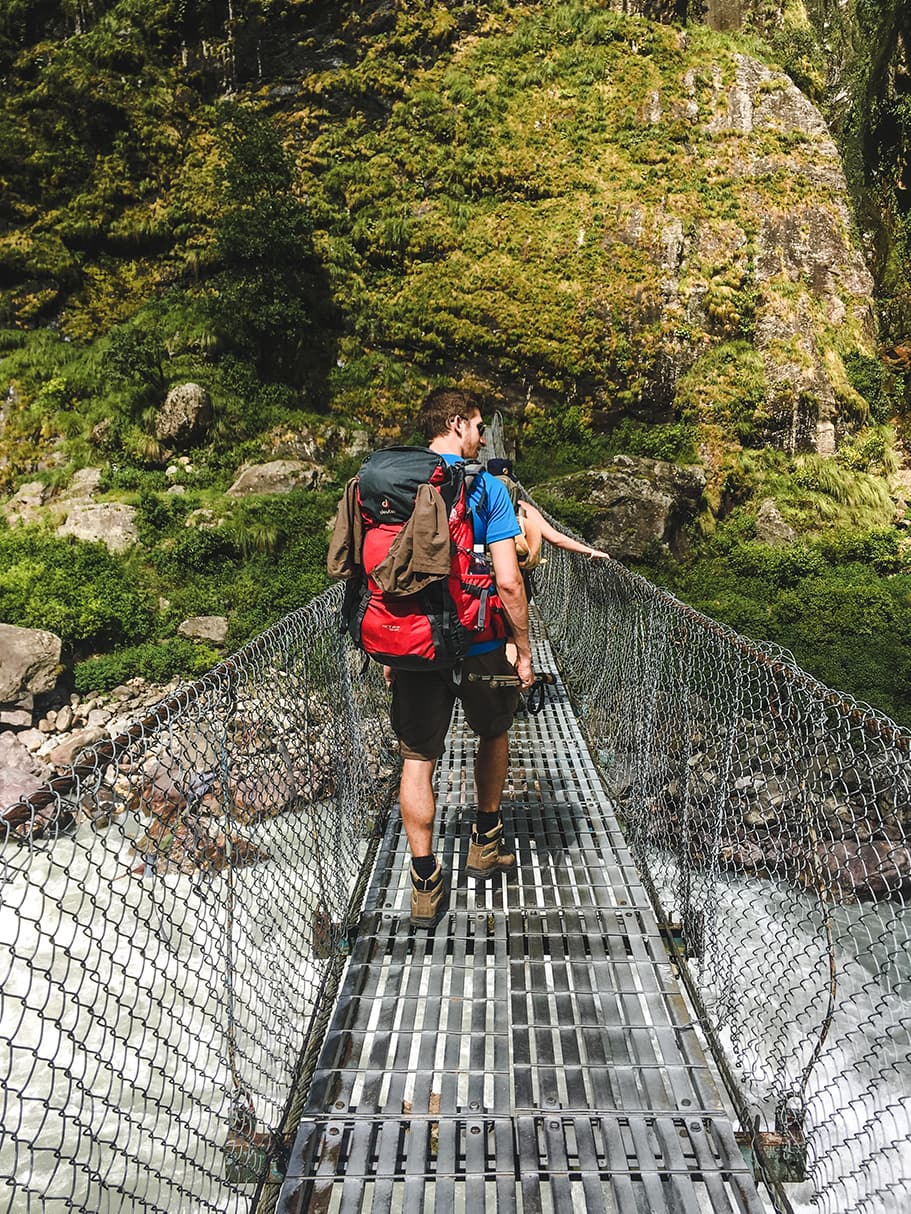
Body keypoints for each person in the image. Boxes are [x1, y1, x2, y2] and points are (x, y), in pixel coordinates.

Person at [386, 388, 535, 929]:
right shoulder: (489, 488)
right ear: (455, 424)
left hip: (416, 647)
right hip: (481, 645)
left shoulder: (398, 486)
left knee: (417, 758)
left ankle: (424, 883)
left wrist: (391, 644)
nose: (481, 437)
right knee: (494, 733)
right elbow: (509, 581)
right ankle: (484, 845)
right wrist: (523, 650)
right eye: (476, 427)